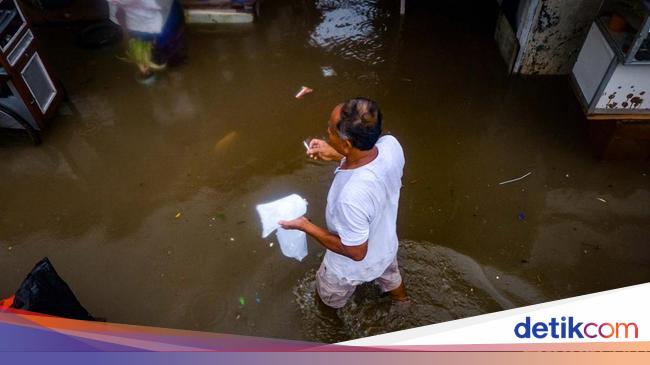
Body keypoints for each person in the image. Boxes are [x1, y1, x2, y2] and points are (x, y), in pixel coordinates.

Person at [279, 98, 408, 309]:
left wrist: (305, 225)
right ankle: (404, 303)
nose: (327, 134)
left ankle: (337, 334)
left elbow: (356, 252)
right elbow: (368, 162)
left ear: (347, 144)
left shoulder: (351, 196)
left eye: (330, 131)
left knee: (326, 302)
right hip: (386, 249)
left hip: (347, 270)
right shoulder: (392, 146)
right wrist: (337, 154)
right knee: (391, 277)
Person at [107, 0, 186, 67]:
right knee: (168, 42)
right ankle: (168, 59)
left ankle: (157, 59)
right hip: (158, 20)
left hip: (132, 22)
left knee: (150, 44)